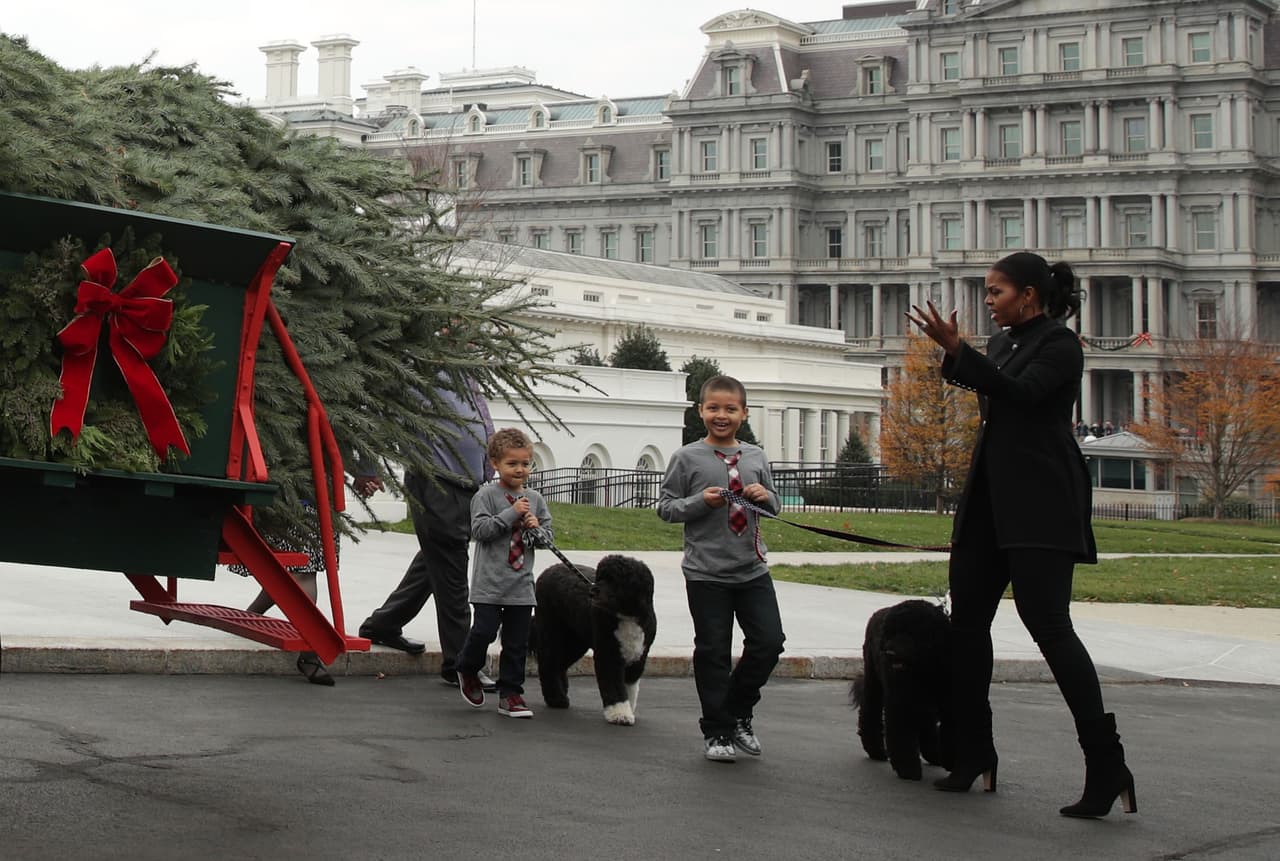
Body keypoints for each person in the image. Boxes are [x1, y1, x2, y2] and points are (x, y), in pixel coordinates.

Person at [906, 251, 1137, 819]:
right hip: (989, 501)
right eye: (987, 293)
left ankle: (1107, 764)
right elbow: (991, 387)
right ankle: (974, 751)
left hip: (1042, 502)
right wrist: (958, 356)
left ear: (1029, 295)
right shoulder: (1006, 343)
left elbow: (1023, 395)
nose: (989, 301)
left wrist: (961, 352)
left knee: (1050, 629)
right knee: (968, 627)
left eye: (997, 292)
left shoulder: (1060, 344)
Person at [656, 375, 786, 763]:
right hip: (706, 573)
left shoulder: (755, 457)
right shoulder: (687, 458)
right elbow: (665, 507)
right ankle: (717, 730)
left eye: (730, 409)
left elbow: (774, 505)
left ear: (744, 413)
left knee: (769, 642)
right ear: (700, 411)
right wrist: (700, 502)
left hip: (752, 569)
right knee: (713, 650)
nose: (721, 415)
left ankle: (738, 710)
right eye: (713, 408)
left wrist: (767, 497)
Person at [357, 381, 496, 693]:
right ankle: (461, 664)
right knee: (453, 571)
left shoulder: (463, 369)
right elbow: (372, 408)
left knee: (436, 563)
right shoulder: (420, 366)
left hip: (467, 488)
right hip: (436, 484)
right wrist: (367, 467)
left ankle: (382, 625)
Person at [455, 427, 551, 718]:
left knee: (517, 642)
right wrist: (511, 514)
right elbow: (480, 531)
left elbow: (547, 539)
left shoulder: (536, 499)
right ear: (495, 463)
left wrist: (536, 529)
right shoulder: (486, 496)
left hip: (521, 585)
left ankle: (511, 694)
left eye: (525, 463)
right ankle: (467, 667)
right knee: (483, 631)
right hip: (490, 584)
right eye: (512, 463)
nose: (520, 469)